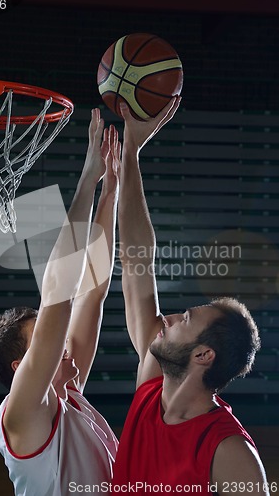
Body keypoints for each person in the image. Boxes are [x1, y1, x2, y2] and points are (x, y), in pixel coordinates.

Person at [111, 97, 270, 495]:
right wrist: (131, 152)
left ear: (203, 355)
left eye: (184, 321)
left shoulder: (229, 450)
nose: (167, 319)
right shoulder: (152, 390)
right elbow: (136, 261)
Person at [0, 108, 120, 496]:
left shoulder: (67, 393)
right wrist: (88, 181)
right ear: (20, 367)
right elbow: (59, 292)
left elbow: (93, 290)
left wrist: (110, 194)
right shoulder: (21, 416)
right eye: (45, 339)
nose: (60, 342)